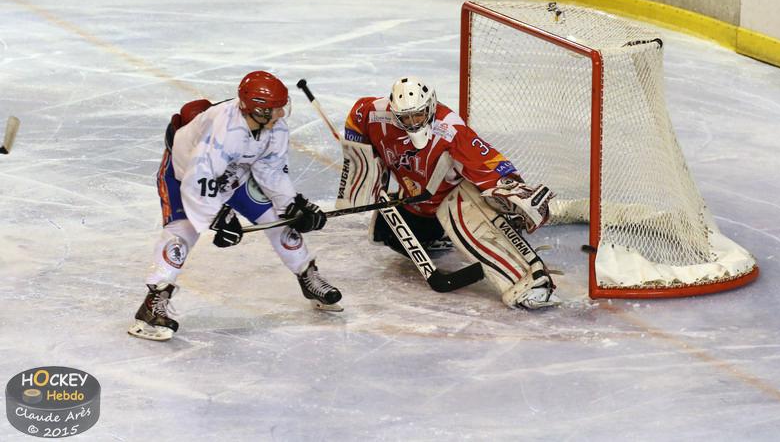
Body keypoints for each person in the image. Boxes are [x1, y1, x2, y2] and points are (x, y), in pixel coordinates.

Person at [129, 71, 341, 341]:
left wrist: (292, 206)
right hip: (182, 175)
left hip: (234, 173)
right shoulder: (224, 130)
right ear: (258, 110)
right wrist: (218, 218)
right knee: (181, 234)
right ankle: (152, 303)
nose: (281, 114)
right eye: (275, 108)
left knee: (278, 219)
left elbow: (271, 170)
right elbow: (198, 177)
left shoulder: (274, 127)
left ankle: (307, 276)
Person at [337, 76, 560, 310]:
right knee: (384, 233)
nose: (412, 122)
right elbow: (356, 117)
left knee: (463, 212)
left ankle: (532, 281)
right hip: (416, 203)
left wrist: (512, 187)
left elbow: (488, 162)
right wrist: (365, 160)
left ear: (431, 105)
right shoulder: (373, 113)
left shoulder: (450, 129)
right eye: (405, 117)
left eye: (418, 115)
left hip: (450, 197)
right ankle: (439, 236)